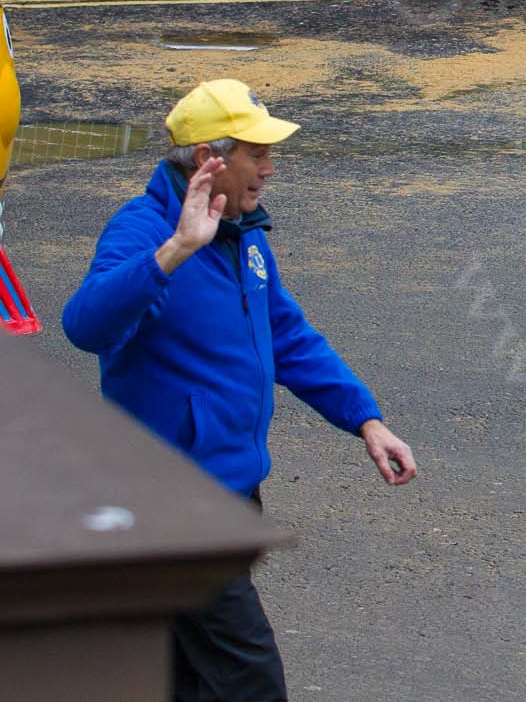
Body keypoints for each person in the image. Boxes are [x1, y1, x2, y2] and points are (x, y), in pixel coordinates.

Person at [60, 79, 417, 701]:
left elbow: (286, 334)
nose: (270, 170)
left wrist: (365, 419)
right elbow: (85, 326)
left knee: (185, 678)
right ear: (209, 160)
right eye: (258, 155)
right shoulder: (144, 230)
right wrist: (174, 252)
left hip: (227, 493)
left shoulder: (244, 236)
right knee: (250, 682)